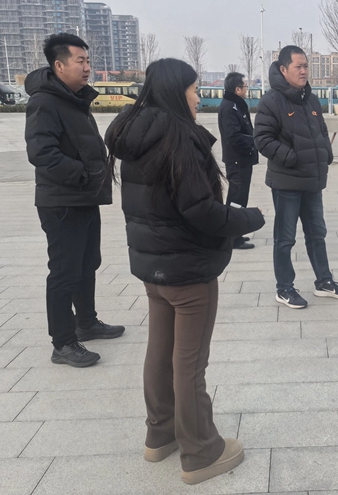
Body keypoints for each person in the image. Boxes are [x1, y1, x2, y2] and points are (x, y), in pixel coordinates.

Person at [105, 58, 264, 485]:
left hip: (153, 266)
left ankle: (160, 434)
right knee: (189, 363)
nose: (198, 98)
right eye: (194, 90)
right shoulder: (178, 139)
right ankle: (200, 451)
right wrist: (248, 218)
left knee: (160, 351)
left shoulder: (135, 132)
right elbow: (202, 211)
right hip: (189, 270)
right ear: (177, 92)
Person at [24, 33, 124, 368]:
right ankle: (63, 343)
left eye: (88, 61)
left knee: (87, 263)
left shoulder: (73, 99)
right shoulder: (45, 102)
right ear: (59, 65)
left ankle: (87, 322)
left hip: (84, 197)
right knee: (64, 271)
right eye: (80, 61)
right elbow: (42, 153)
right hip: (62, 201)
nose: (87, 68)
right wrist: (83, 174)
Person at [253, 45, 338, 309]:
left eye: (306, 66)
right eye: (298, 66)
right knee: (285, 238)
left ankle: (324, 282)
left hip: (312, 181)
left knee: (317, 233)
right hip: (287, 182)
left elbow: (322, 130)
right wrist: (292, 158)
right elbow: (262, 139)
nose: (304, 71)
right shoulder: (272, 101)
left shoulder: (311, 99)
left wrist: (326, 153)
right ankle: (284, 288)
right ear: (283, 69)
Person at [218, 71, 259, 250]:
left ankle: (236, 232)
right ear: (237, 89)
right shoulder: (229, 108)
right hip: (237, 160)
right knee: (236, 197)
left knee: (240, 197)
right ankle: (233, 237)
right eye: (245, 86)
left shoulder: (236, 105)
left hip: (243, 159)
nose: (246, 89)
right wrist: (254, 141)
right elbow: (233, 137)